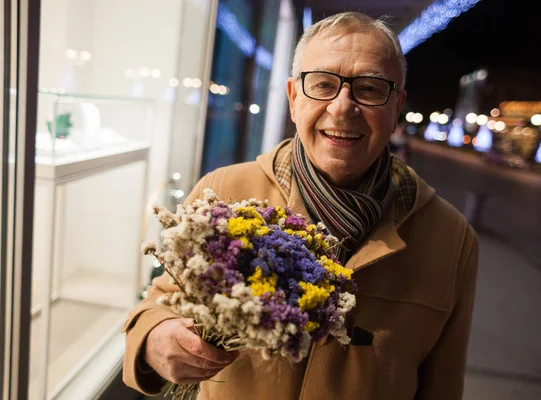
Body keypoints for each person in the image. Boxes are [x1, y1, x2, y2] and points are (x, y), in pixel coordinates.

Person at [123, 11, 478, 400]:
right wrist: (156, 337)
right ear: (293, 98)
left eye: (371, 89)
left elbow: (443, 385)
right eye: (323, 84)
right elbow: (159, 302)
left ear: (397, 107)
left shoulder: (451, 238)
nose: (343, 108)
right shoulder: (224, 190)